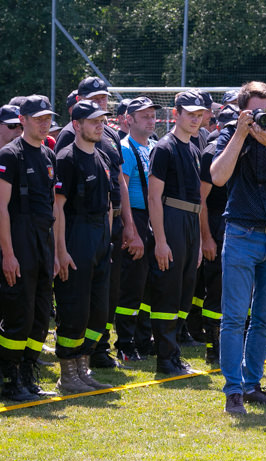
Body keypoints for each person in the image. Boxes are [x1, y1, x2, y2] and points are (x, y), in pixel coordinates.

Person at [210, 81, 266, 415]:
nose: (264, 116)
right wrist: (239, 134)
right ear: (243, 110)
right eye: (255, 110)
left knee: (264, 319)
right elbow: (218, 177)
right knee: (234, 318)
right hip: (241, 234)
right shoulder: (231, 134)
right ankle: (233, 390)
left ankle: (252, 385)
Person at [0, 95, 59, 401]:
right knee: (20, 311)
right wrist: (7, 253)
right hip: (19, 237)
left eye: (47, 118)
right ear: (23, 120)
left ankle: (29, 372)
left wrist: (55, 252)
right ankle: (10, 378)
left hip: (43, 239)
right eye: (38, 118)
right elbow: (0, 208)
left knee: (41, 312)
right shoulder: (10, 155)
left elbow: (52, 207)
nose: (44, 123)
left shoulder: (48, 155)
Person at [53, 100, 116, 393]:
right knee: (74, 308)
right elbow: (58, 208)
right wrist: (61, 250)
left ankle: (84, 367)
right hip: (76, 235)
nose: (99, 125)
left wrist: (108, 239)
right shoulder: (66, 158)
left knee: (99, 311)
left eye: (101, 120)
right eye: (93, 121)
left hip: (101, 238)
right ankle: (68, 373)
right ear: (77, 125)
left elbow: (108, 204)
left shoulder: (102, 156)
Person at [147, 90, 208, 376]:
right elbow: (154, 197)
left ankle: (174, 352)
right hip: (171, 219)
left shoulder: (195, 150)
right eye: (190, 114)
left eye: (200, 115)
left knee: (185, 290)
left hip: (190, 222)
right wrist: (160, 240)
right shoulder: (164, 147)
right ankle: (164, 358)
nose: (196, 120)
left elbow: (198, 201)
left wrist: (196, 244)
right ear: (176, 114)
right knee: (168, 289)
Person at [114, 97, 160, 362]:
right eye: (144, 116)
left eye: (153, 115)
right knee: (132, 285)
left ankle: (144, 338)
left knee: (148, 285)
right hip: (136, 218)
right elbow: (123, 191)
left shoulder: (153, 146)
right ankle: (124, 342)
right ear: (128, 119)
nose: (150, 119)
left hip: (153, 218)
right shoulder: (125, 148)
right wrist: (130, 229)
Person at [197, 104, 236, 364]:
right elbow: (200, 201)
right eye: (230, 127)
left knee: (236, 292)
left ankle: (232, 346)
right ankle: (213, 347)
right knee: (217, 290)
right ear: (219, 127)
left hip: (237, 226)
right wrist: (206, 238)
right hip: (216, 226)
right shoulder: (212, 153)